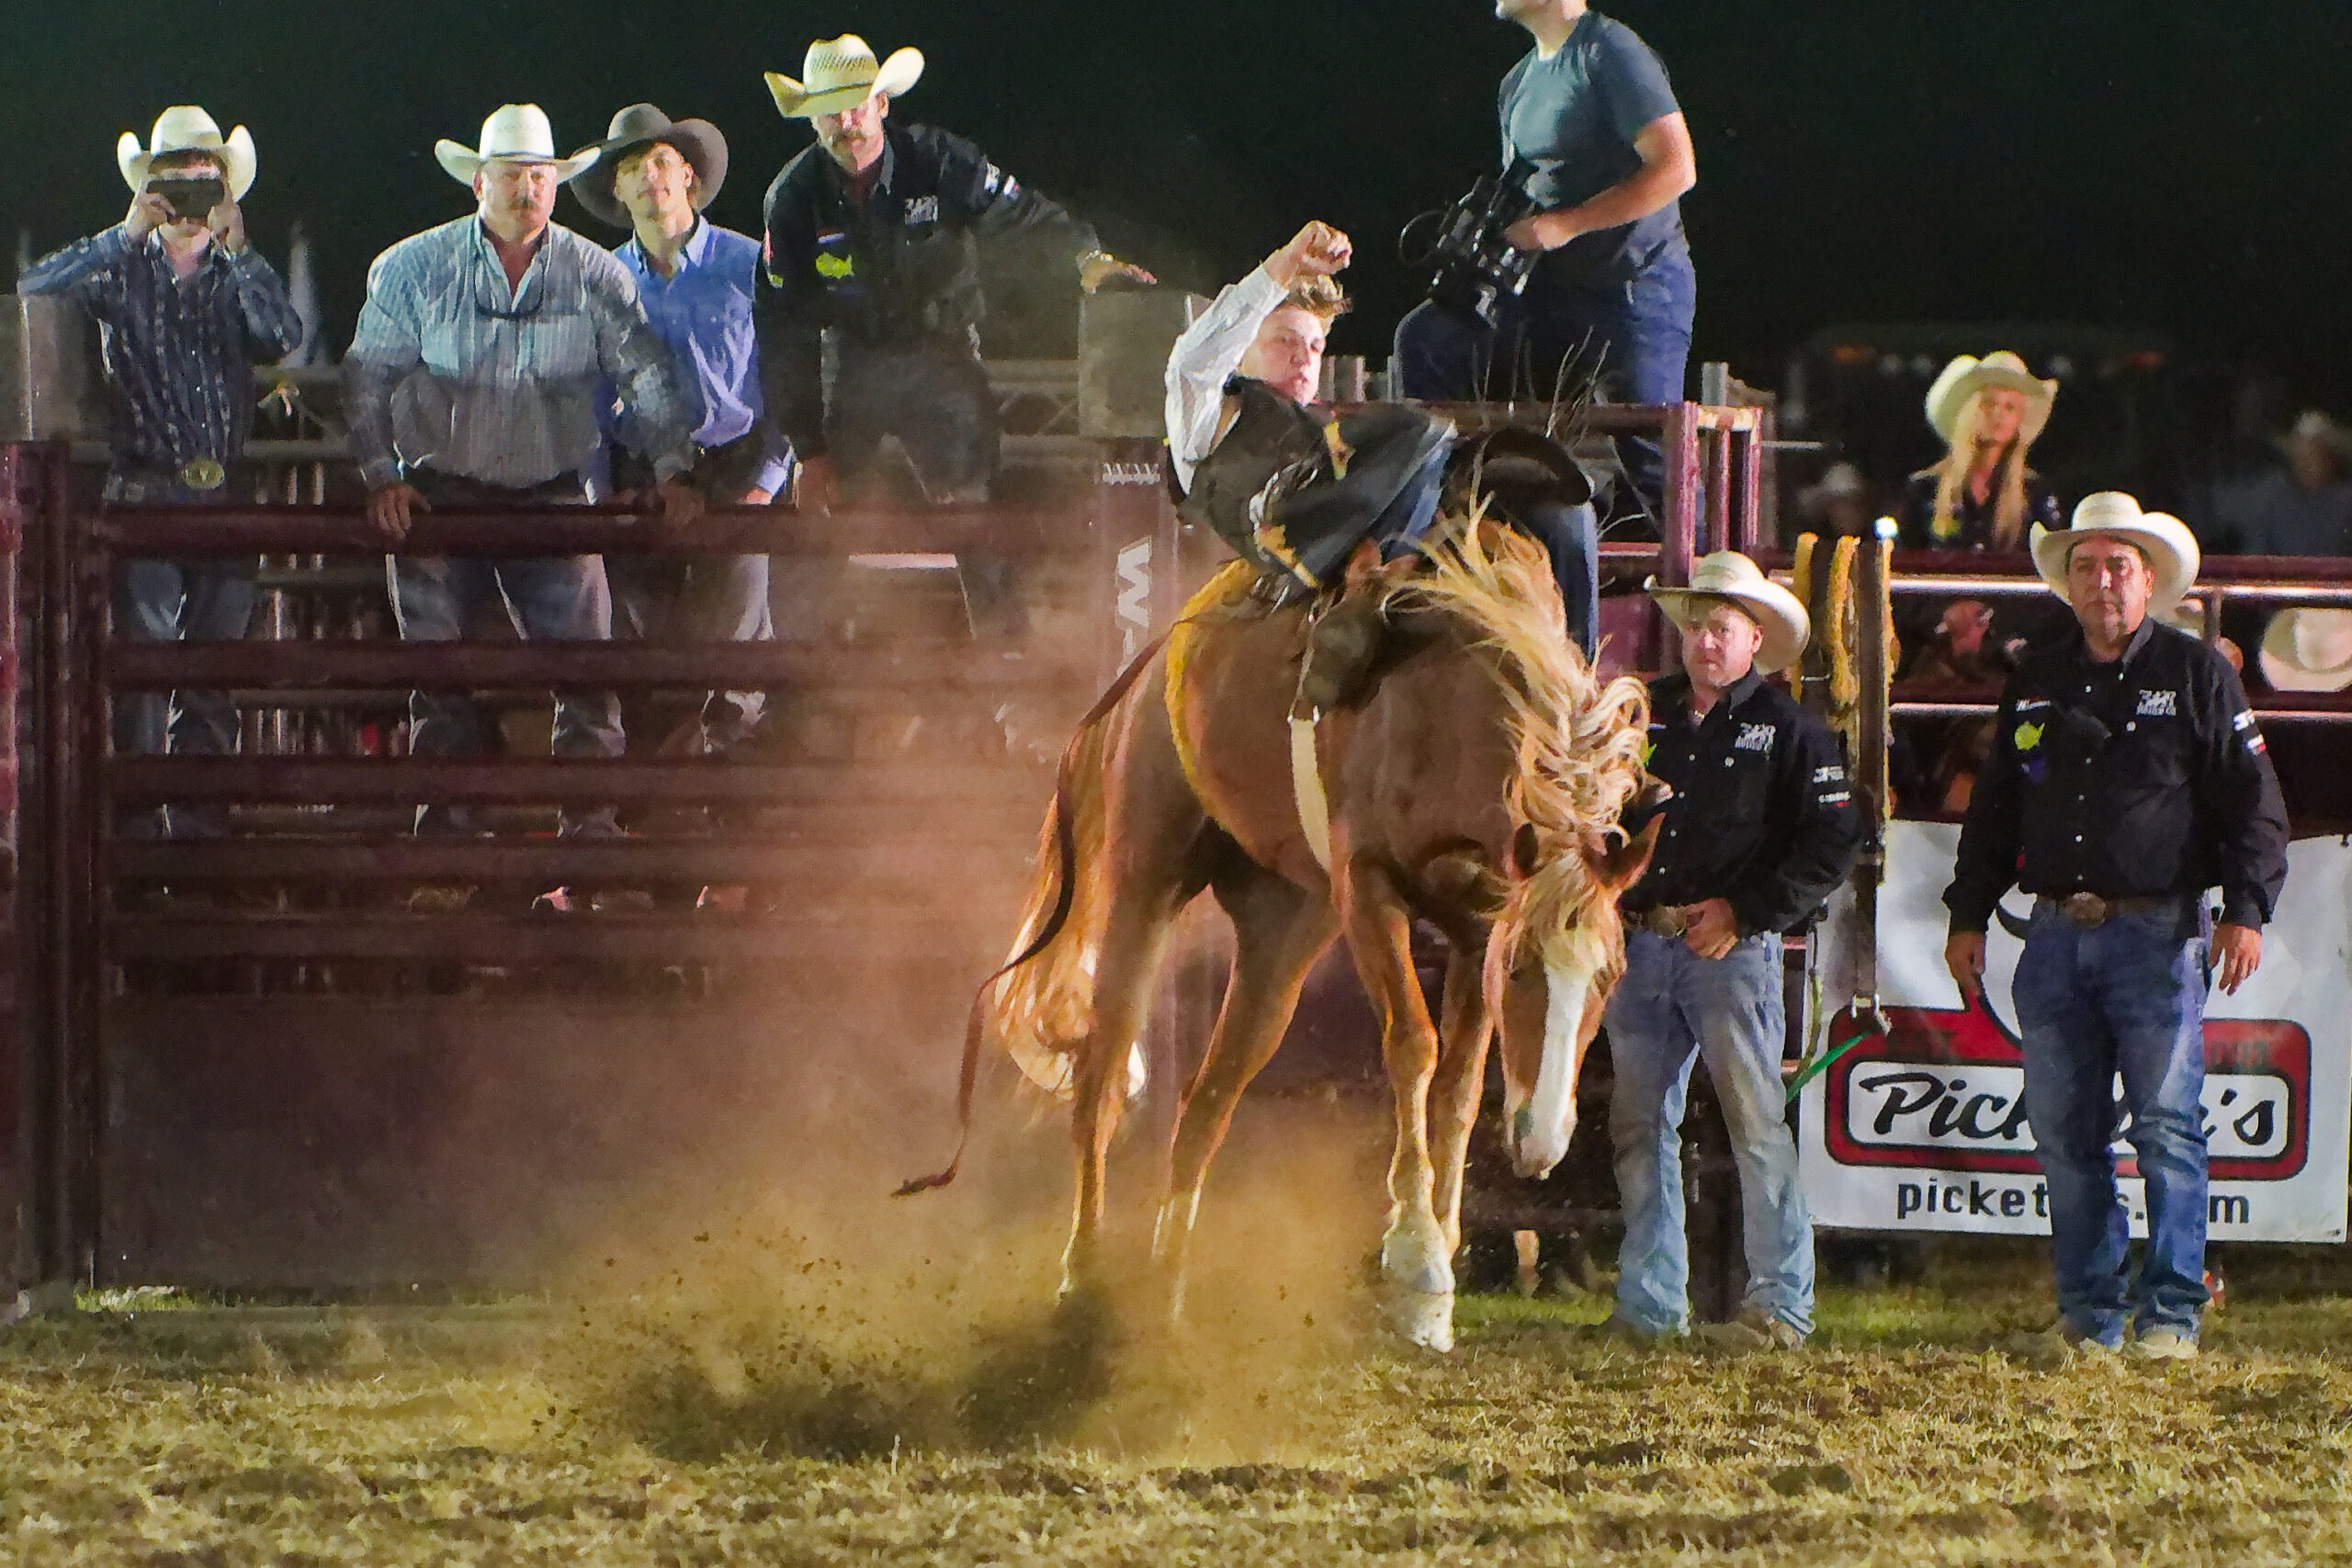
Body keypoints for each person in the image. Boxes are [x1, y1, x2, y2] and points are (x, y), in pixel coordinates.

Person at [1943, 492, 2290, 1364]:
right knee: (2066, 1131)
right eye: (2088, 566)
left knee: (2166, 1126)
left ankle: (2170, 1311)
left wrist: (2246, 909)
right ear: (2067, 581)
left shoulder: (2197, 672)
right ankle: (2092, 1312)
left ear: (2148, 581)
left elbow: (2254, 805)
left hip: (2156, 928)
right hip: (2055, 931)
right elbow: (1995, 807)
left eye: (2118, 566)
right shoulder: (2036, 678)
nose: (2103, 582)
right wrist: (1968, 909)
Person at [344, 104, 701, 849]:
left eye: (539, 177)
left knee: (583, 681)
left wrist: (672, 465)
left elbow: (649, 375)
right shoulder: (416, 267)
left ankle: (585, 838)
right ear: (479, 183)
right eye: (512, 176)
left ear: (557, 184)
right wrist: (383, 473)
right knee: (444, 683)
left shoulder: (592, 274)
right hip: (443, 493)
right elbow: (365, 377)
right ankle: (456, 841)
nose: (527, 190)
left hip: (551, 491)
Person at [754, 34, 1150, 636]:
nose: (845, 122)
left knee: (973, 513)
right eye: (829, 110)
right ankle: (806, 688)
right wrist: (809, 448)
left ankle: (1005, 674)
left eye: (856, 103)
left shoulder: (937, 159)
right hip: (849, 363)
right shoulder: (793, 198)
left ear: (881, 104)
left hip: (941, 358)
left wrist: (1086, 260)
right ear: (811, 120)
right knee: (817, 520)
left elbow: (1021, 213)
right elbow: (785, 329)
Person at [1602, 553, 1862, 1349]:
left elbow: (1835, 839)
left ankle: (1779, 1304)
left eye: (1722, 628)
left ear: (1755, 638)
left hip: (1727, 948)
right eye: (1697, 627)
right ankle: (1655, 1304)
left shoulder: (1792, 732)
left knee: (1748, 1121)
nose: (1706, 641)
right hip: (1647, 940)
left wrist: (1745, 913)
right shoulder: (1644, 720)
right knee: (1644, 1120)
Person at [21, 107, 302, 837]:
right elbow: (31, 291)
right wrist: (124, 233)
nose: (187, 202)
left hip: (222, 495)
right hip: (145, 489)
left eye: (201, 184)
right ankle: (140, 844)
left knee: (208, 679)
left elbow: (282, 335)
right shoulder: (121, 269)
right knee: (141, 679)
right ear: (151, 191)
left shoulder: (237, 275)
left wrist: (240, 251)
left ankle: (196, 844)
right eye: (172, 185)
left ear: (224, 193)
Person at [1166, 220, 1600, 654]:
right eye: (1285, 341)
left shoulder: (1330, 430)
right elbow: (1192, 364)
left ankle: (1579, 671)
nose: (1303, 357)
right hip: (1312, 540)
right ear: (1241, 353)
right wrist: (1284, 266)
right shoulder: (1209, 418)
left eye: (1315, 347)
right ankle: (1367, 593)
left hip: (1414, 506)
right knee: (1416, 429)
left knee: (1560, 508)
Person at [1393, 0, 1697, 527]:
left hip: (1634, 288)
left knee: (1653, 459)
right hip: (1550, 293)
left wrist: (1567, 224)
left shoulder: (1609, 51)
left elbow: (1676, 168)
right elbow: (1523, 191)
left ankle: (1711, 590)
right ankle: (1447, 521)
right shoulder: (1517, 82)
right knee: (1428, 340)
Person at [567, 103, 787, 758]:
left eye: (660, 161)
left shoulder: (751, 264)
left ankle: (725, 786)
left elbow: (791, 378)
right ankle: (671, 790)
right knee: (646, 634)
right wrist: (599, 490)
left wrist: (765, 482)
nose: (649, 178)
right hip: (638, 469)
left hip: (734, 461)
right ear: (617, 188)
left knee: (738, 638)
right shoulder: (600, 281)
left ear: (687, 175)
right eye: (633, 167)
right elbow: (587, 393)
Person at [1890, 353, 2064, 812]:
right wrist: (1944, 621)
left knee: (2017, 724)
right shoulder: (1923, 492)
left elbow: (2049, 586)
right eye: (1990, 403)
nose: (2000, 414)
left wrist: (1989, 623)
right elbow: (1896, 580)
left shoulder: (2038, 498)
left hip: (2008, 651)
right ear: (1969, 409)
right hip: (1934, 646)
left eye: (2011, 406)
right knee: (1915, 714)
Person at [2211, 411, 2352, 558]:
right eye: (2301, 455)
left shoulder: (2347, 502)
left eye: (2313, 455)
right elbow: (2257, 554)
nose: (2305, 463)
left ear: (2330, 459)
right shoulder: (2275, 501)